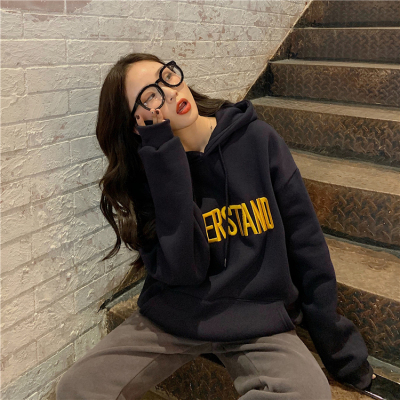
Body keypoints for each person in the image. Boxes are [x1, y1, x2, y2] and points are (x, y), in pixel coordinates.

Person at [56, 53, 375, 400]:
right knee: (76, 388)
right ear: (137, 125)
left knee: (309, 395)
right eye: (150, 96)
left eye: (167, 76)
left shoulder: (256, 139)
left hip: (257, 318)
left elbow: (306, 243)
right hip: (176, 313)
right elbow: (184, 270)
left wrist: (340, 351)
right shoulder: (150, 171)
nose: (170, 92)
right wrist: (165, 161)